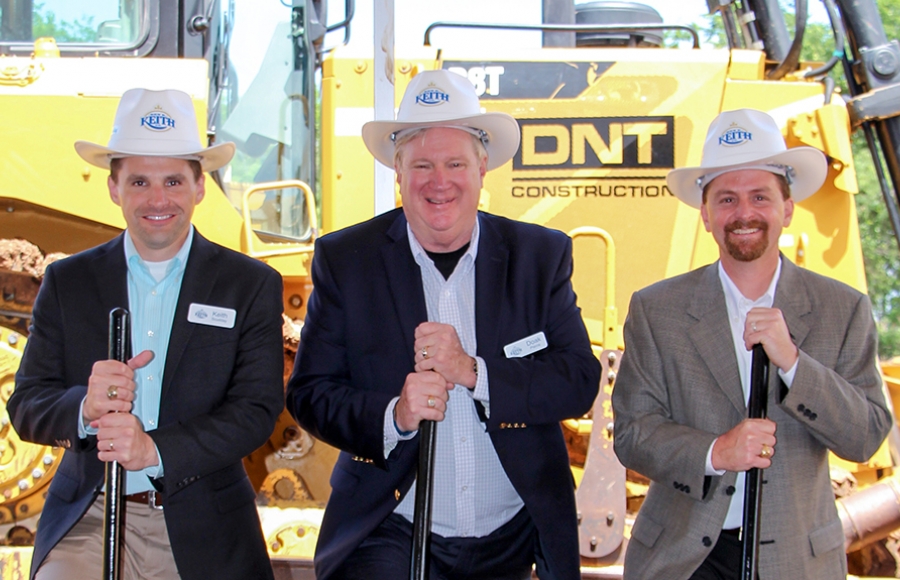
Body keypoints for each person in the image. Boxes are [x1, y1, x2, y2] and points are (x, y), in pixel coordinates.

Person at [286, 69, 600, 580]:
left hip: (513, 532)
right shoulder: (347, 260)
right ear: (397, 169)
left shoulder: (538, 257)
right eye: (422, 165)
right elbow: (310, 394)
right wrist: (394, 415)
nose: (440, 181)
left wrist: (474, 372)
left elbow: (579, 380)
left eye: (455, 163)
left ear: (482, 166)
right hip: (391, 526)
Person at [9, 88, 285, 580]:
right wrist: (84, 408)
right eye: (139, 181)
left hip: (207, 527)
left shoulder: (249, 284)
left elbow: (255, 411)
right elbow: (27, 404)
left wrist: (154, 451)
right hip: (90, 518)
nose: (158, 199)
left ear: (200, 187)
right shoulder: (68, 282)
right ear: (113, 188)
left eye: (173, 181)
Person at [612, 108, 893, 580]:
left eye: (760, 196)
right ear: (706, 215)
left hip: (796, 562)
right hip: (685, 561)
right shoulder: (656, 310)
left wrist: (794, 364)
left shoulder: (843, 308)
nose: (744, 213)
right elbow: (632, 434)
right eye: (727, 199)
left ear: (787, 208)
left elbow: (865, 437)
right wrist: (716, 451)